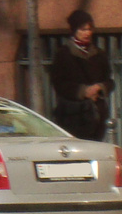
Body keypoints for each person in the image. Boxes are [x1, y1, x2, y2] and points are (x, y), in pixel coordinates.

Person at [48, 9, 113, 141]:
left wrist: (100, 88)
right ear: (74, 31)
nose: (87, 33)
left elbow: (110, 81)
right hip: (73, 115)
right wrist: (83, 91)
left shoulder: (99, 54)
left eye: (89, 29)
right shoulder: (64, 54)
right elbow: (59, 84)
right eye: (82, 29)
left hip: (97, 114)